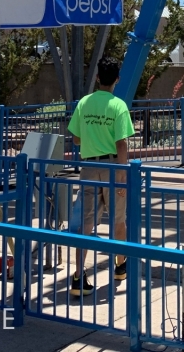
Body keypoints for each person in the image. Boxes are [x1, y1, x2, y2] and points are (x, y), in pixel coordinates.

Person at [67, 56, 135, 297]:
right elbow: (122, 143)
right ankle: (120, 264)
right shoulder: (118, 106)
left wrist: (91, 137)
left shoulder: (84, 103)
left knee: (85, 224)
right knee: (118, 219)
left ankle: (78, 276)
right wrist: (124, 172)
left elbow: (75, 139)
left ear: (97, 78)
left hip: (88, 168)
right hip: (113, 168)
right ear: (117, 79)